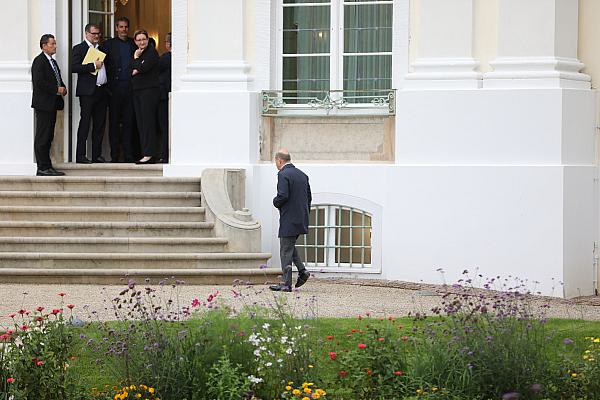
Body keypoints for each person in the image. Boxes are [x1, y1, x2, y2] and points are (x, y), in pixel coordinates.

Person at [270, 149, 312, 292]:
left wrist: (275, 202)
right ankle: (302, 271)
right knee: (289, 247)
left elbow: (283, 196)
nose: (276, 165)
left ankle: (286, 284)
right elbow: (309, 198)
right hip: (301, 217)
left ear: (279, 161)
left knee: (285, 251)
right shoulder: (302, 175)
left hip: (289, 218)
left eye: (276, 162)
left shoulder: (283, 174)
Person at [31, 34, 67, 176]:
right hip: (43, 105)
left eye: (55, 43)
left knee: (48, 136)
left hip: (52, 104)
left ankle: (47, 165)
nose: (55, 46)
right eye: (52, 44)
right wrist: (56, 89)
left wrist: (63, 88)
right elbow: (39, 82)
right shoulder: (39, 61)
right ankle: (42, 167)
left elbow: (57, 79)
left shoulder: (52, 61)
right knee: (43, 136)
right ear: (44, 46)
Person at [71, 23, 108, 164]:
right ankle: (80, 155)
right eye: (93, 33)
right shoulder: (79, 48)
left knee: (99, 125)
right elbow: (74, 67)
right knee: (85, 123)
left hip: (102, 91)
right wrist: (93, 66)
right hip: (87, 93)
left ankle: (96, 155)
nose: (96, 36)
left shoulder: (101, 48)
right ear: (86, 34)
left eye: (98, 33)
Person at [102, 17, 137, 163]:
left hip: (130, 90)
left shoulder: (132, 43)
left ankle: (129, 155)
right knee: (114, 124)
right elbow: (99, 64)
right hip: (114, 91)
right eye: (121, 27)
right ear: (116, 28)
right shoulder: (108, 44)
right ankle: (114, 156)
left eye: (126, 27)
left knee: (129, 123)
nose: (123, 29)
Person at [131, 29, 160, 164]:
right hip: (137, 90)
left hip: (148, 91)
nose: (142, 42)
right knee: (141, 122)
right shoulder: (139, 52)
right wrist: (137, 65)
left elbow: (142, 68)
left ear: (148, 40)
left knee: (148, 122)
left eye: (144, 39)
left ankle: (149, 154)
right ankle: (145, 152)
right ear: (135, 41)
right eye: (139, 40)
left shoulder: (151, 53)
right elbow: (131, 70)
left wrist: (136, 60)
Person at [157, 32, 171, 163]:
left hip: (163, 96)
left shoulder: (165, 58)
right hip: (172, 95)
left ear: (168, 45)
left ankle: (164, 155)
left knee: (164, 126)